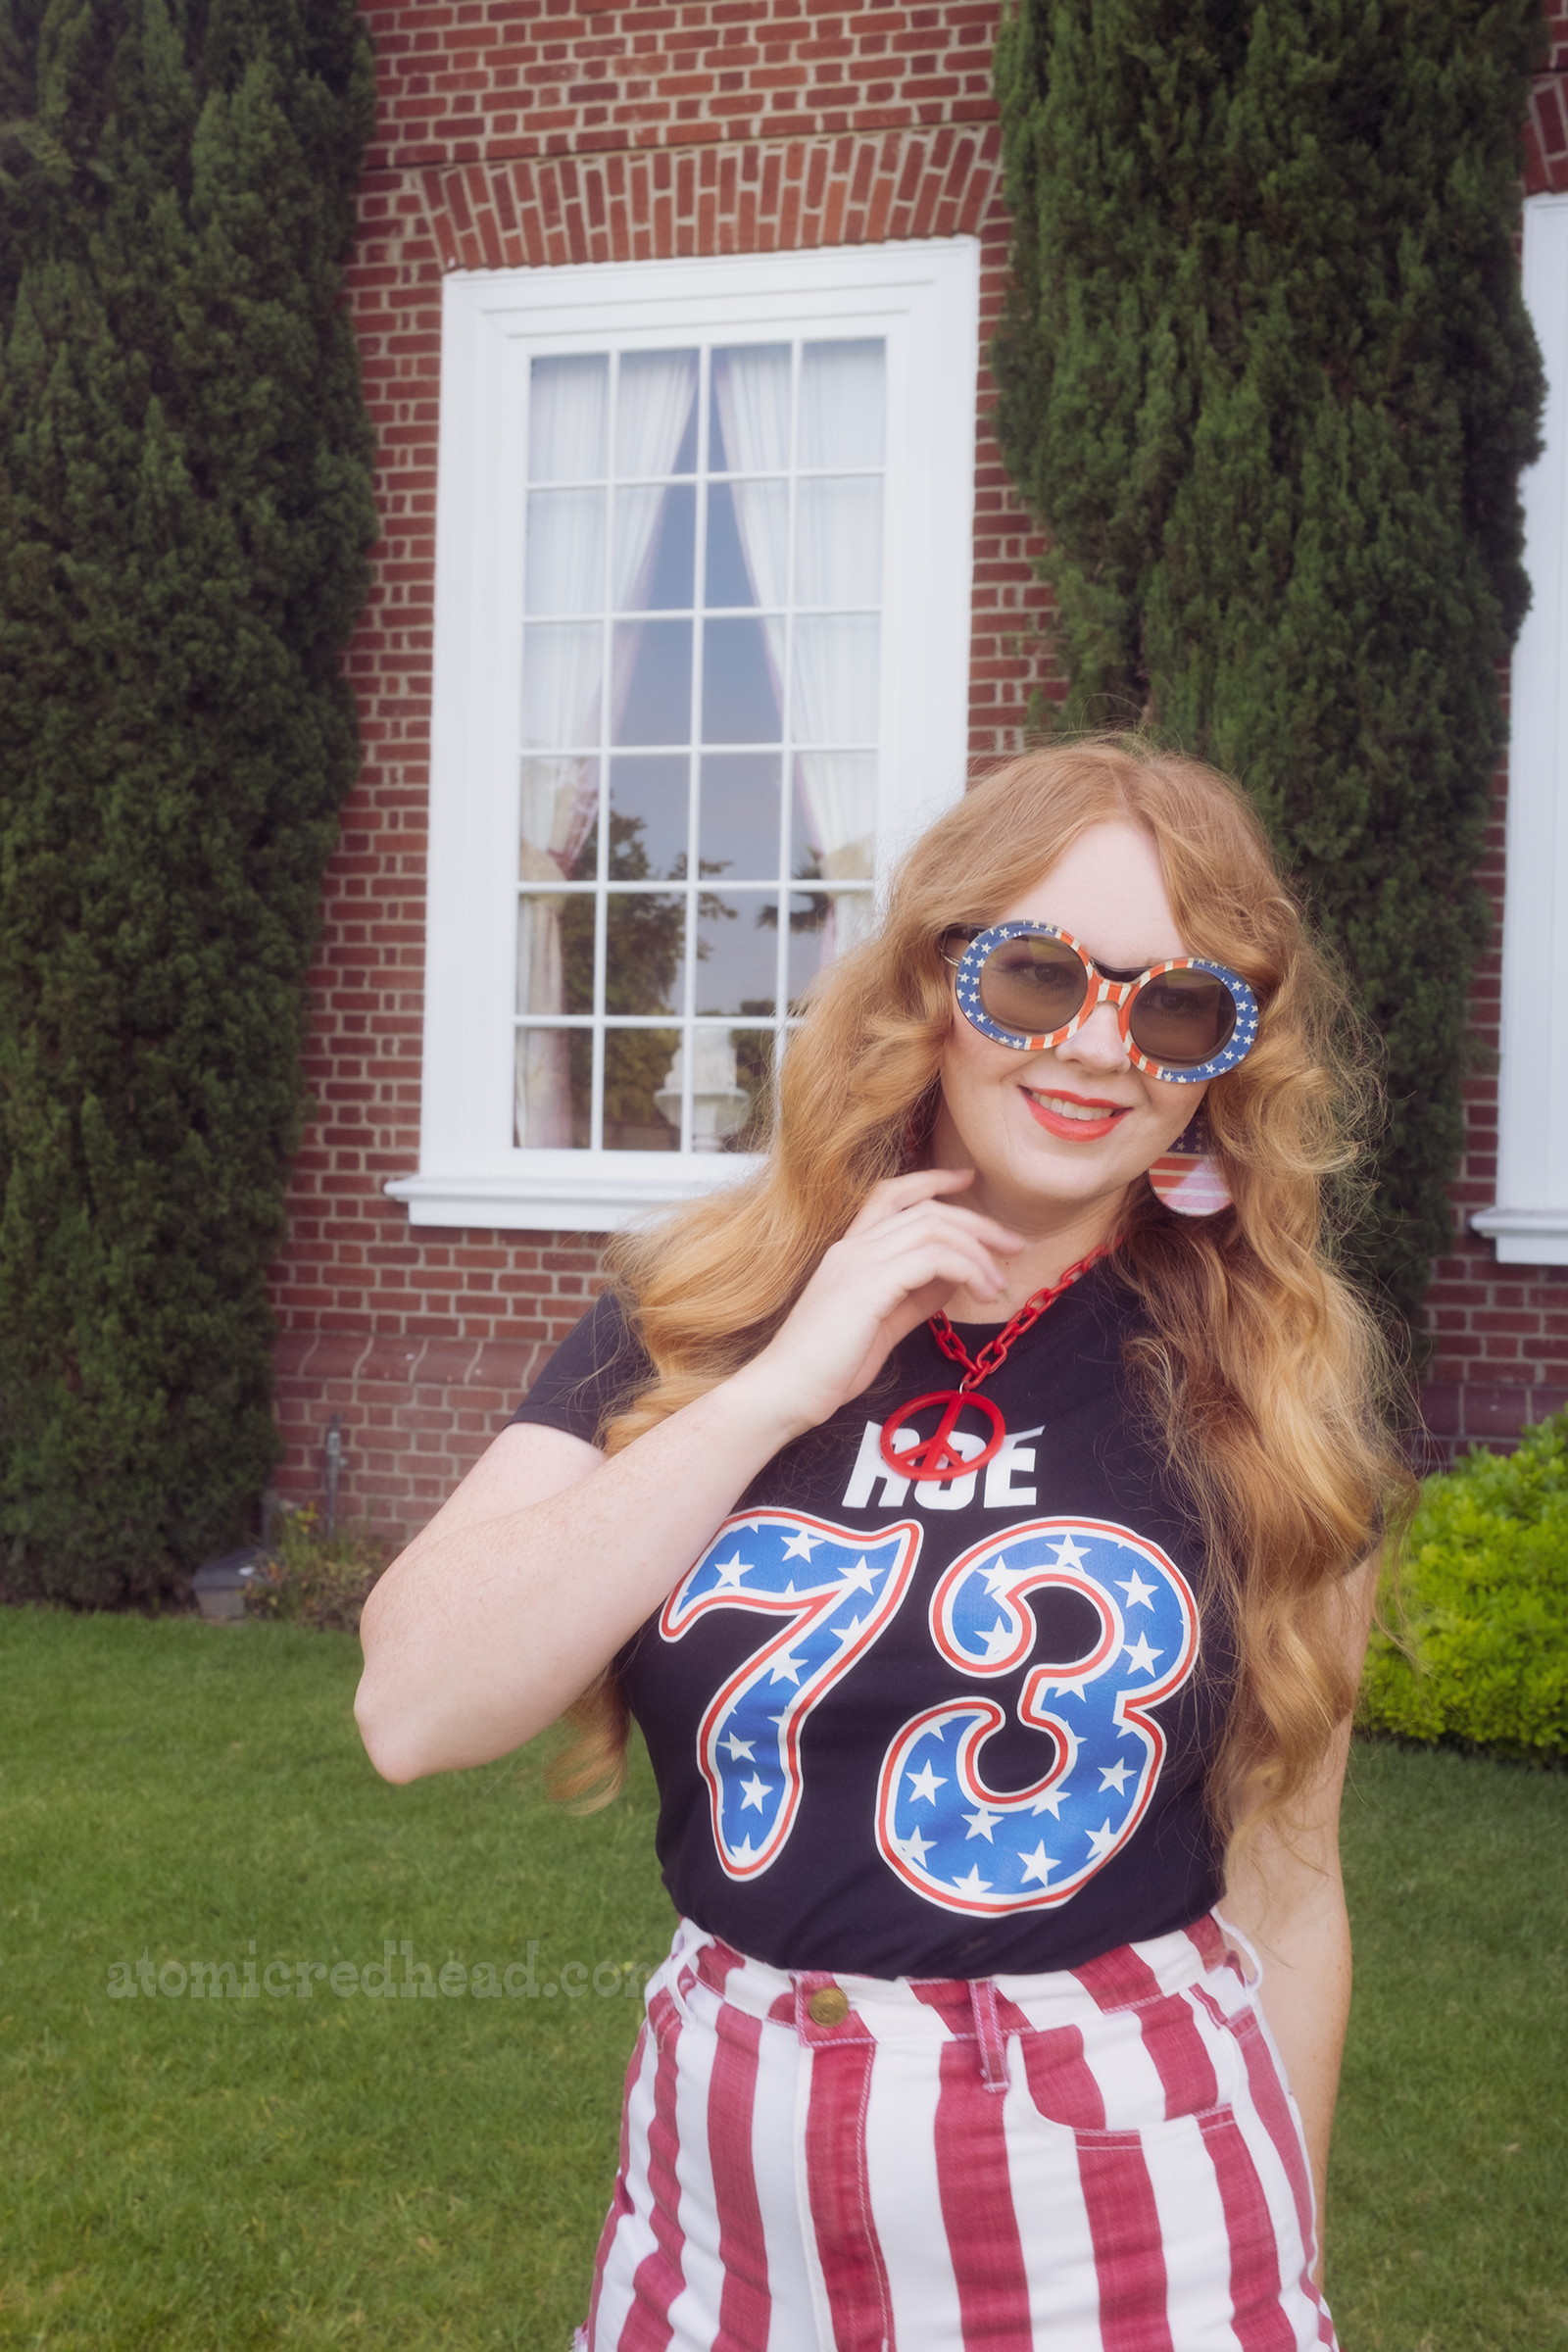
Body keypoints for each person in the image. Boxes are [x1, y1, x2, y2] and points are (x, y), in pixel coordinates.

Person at [355, 736, 1407, 2352]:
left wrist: (1284, 2269)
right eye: (1042, 974)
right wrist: (781, 1383)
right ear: (931, 977)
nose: (1101, 1049)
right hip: (722, 2197)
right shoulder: (697, 1312)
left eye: (1178, 1005)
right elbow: (415, 1707)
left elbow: (1290, 1876)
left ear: (1218, 1061)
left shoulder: (1271, 1382)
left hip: (1136, 2209)